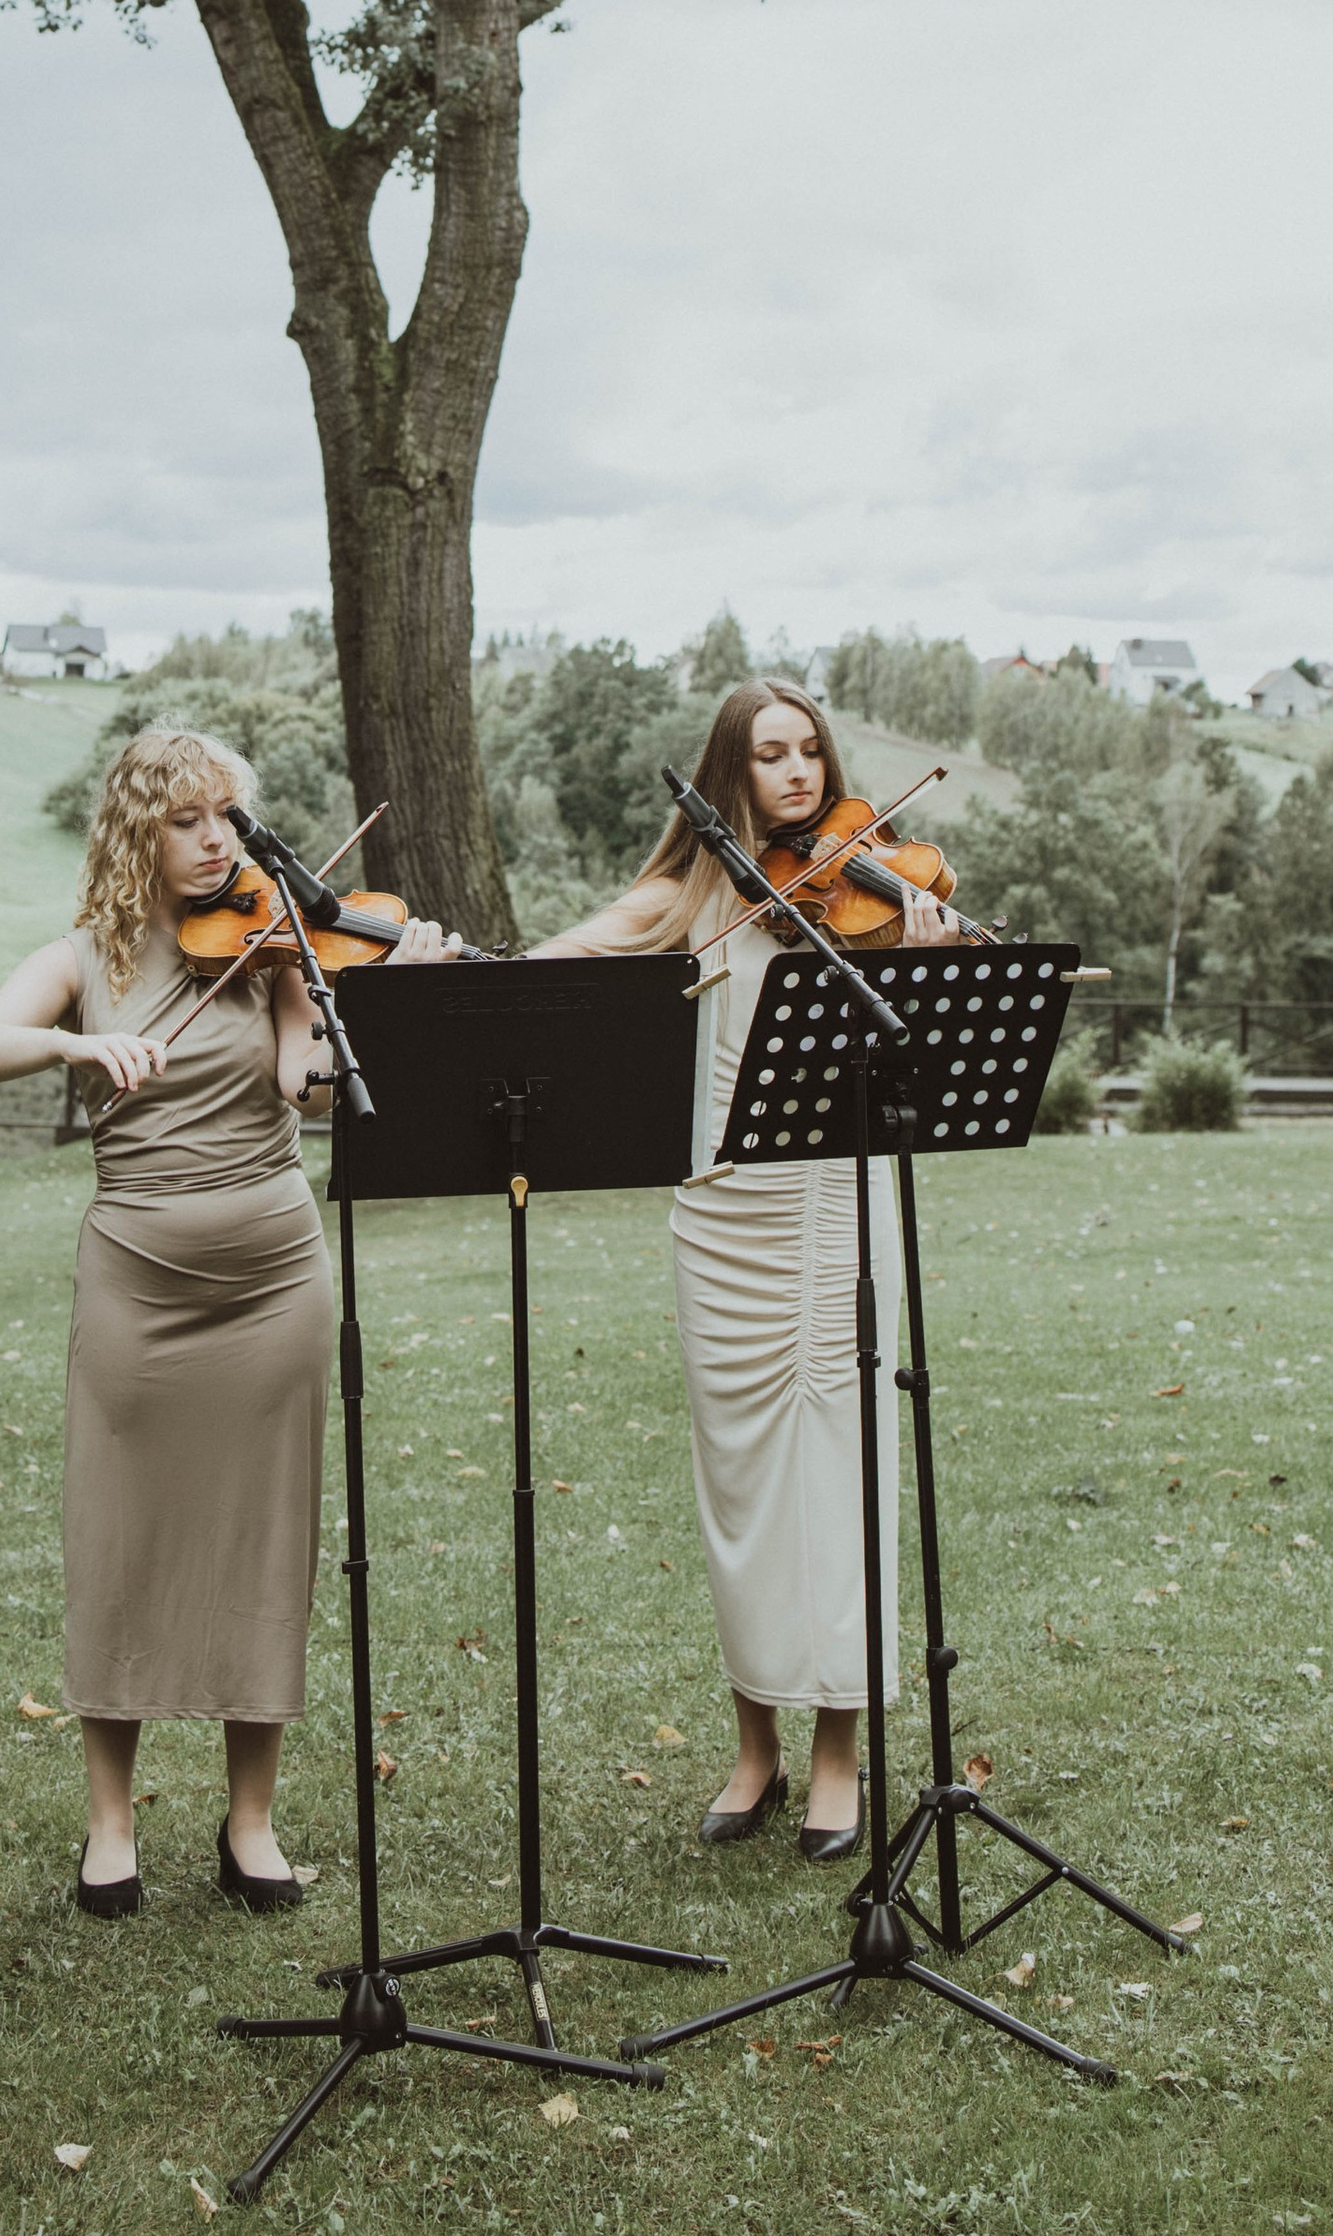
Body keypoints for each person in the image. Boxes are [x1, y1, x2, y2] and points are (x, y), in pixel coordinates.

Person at [0, 725, 456, 1917]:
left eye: (226, 814)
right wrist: (76, 1040)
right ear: (137, 831)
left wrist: (365, 1003)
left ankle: (251, 1824)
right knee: (117, 1539)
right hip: (138, 1278)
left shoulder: (279, 947)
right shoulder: (84, 956)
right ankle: (110, 1824)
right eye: (186, 818)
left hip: (273, 1276)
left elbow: (303, 1090)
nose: (216, 837)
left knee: (259, 1541)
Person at [529, 679, 958, 1859]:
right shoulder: (689, 893)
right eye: (769, 755)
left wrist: (923, 960)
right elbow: (553, 958)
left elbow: (929, 1031)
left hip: (832, 1201)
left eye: (809, 751)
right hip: (722, 1221)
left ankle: (836, 1756)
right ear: (729, 773)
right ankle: (754, 1745)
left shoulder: (866, 885)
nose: (797, 774)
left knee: (840, 1469)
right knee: (743, 1497)